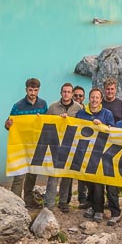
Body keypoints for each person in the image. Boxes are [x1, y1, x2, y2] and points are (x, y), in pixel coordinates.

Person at [5, 77, 47, 208]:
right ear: (26, 90)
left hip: (36, 145)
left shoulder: (43, 104)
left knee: (32, 173)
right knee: (19, 175)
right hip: (21, 145)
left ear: (38, 90)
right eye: (30, 90)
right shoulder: (18, 106)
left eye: (35, 90)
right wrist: (8, 124)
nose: (33, 93)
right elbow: (8, 125)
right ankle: (15, 202)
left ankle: (29, 200)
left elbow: (47, 123)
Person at [76, 88, 115, 222]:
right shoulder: (81, 114)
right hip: (85, 153)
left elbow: (112, 132)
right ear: (89, 98)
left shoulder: (106, 113)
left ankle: (99, 210)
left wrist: (102, 125)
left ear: (101, 99)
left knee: (98, 182)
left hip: (101, 153)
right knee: (89, 181)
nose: (94, 100)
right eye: (92, 97)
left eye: (97, 97)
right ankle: (92, 205)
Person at [44, 82, 81, 212]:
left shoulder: (78, 108)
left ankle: (64, 202)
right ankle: (49, 203)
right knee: (53, 175)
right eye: (64, 91)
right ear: (61, 93)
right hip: (55, 145)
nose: (66, 94)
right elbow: (45, 124)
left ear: (72, 94)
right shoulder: (53, 107)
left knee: (67, 175)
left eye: (69, 92)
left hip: (71, 146)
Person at [99, 78, 122, 220]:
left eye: (112, 89)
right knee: (98, 177)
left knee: (112, 178)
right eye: (107, 89)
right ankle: (98, 207)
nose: (110, 91)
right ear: (104, 90)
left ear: (116, 89)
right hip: (100, 144)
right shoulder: (99, 103)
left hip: (115, 145)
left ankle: (115, 210)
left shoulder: (121, 104)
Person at [71, 85, 89, 208]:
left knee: (83, 173)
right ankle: (66, 199)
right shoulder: (70, 109)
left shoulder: (87, 110)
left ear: (84, 97)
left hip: (84, 146)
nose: (78, 98)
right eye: (75, 95)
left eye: (80, 96)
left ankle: (83, 198)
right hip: (70, 145)